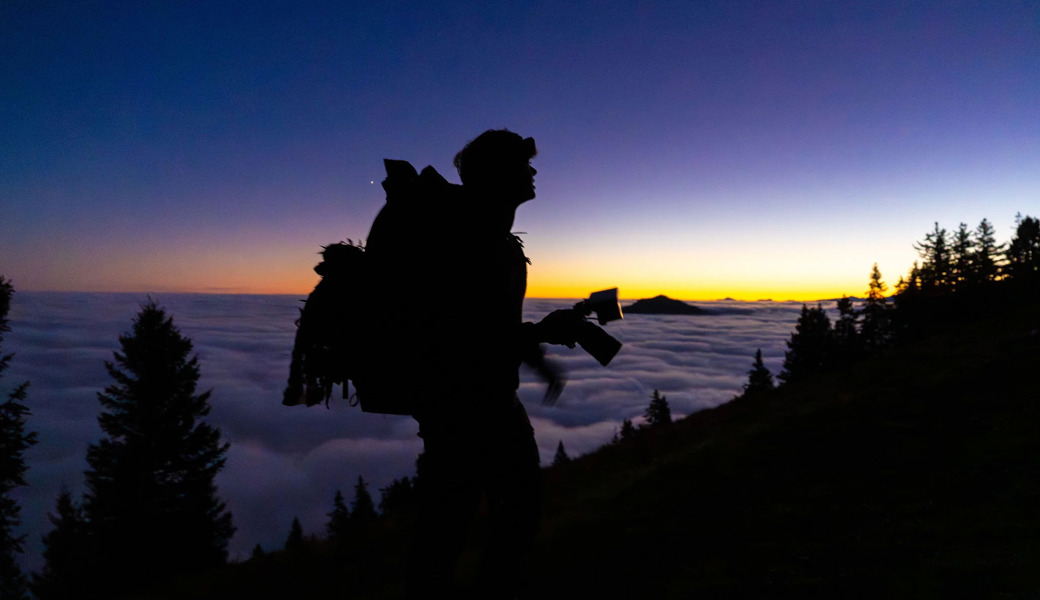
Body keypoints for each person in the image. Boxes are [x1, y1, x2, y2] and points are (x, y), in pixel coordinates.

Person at [365, 129, 582, 598]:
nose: (533, 171)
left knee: (466, 519)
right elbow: (460, 335)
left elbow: (488, 325)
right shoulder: (467, 238)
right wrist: (540, 336)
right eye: (523, 164)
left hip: (477, 399)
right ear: (498, 173)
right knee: (478, 521)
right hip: (461, 405)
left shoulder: (494, 239)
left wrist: (537, 350)